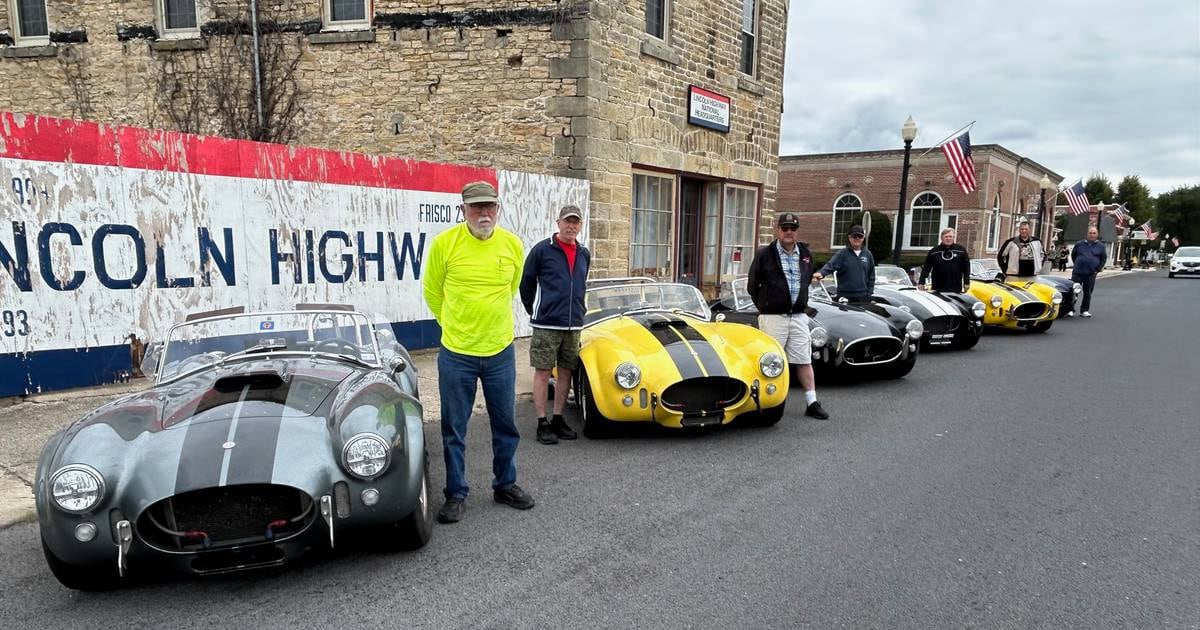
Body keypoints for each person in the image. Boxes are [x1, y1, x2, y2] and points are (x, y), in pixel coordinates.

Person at [422, 181, 534, 524]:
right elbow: (432, 292)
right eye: (476, 207)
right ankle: (456, 492)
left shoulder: (513, 245)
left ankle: (505, 484)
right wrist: (456, 327)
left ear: (498, 209)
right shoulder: (445, 245)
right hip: (457, 354)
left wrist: (485, 327)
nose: (484, 213)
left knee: (506, 424)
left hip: (500, 351)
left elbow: (512, 288)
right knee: (454, 427)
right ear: (463, 209)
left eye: (490, 207)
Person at [746, 212, 829, 420]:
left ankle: (812, 402)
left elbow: (806, 279)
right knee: (771, 361)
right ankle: (769, 403)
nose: (789, 232)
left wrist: (799, 301)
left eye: (792, 228)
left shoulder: (806, 253)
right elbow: (752, 285)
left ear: (797, 231)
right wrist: (765, 305)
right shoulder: (765, 254)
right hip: (773, 316)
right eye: (785, 228)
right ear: (778, 230)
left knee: (804, 359)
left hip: (799, 315)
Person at [519, 205, 590, 445]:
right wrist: (537, 311)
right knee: (542, 372)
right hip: (547, 324)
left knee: (566, 372)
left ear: (580, 225)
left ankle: (558, 417)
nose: (571, 226)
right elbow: (526, 285)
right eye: (567, 221)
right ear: (558, 222)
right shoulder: (542, 250)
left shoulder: (584, 253)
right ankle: (542, 422)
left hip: (573, 325)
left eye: (576, 222)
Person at [812, 224, 875, 302]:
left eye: (860, 236)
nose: (857, 238)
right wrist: (821, 273)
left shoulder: (868, 254)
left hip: (863, 297)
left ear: (863, 238)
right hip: (845, 297)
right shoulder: (842, 254)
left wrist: (870, 293)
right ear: (849, 237)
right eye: (854, 236)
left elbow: (871, 276)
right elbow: (830, 265)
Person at [918, 227, 971, 292]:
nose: (948, 239)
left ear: (953, 237)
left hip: (956, 287)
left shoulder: (961, 250)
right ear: (941, 238)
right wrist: (921, 282)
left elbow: (966, 267)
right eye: (946, 237)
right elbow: (926, 267)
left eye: (950, 236)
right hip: (938, 287)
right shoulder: (934, 252)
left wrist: (966, 282)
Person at [1071, 226, 1106, 318]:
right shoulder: (1079, 244)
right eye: (1090, 233)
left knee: (1088, 293)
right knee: (1073, 292)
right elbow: (1073, 255)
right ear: (1087, 234)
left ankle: (1084, 310)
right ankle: (1070, 309)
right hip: (1077, 272)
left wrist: (1097, 269)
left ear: (1097, 235)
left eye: (1094, 233)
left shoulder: (1101, 246)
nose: (1092, 235)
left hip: (1090, 274)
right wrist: (1078, 264)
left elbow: (1103, 259)